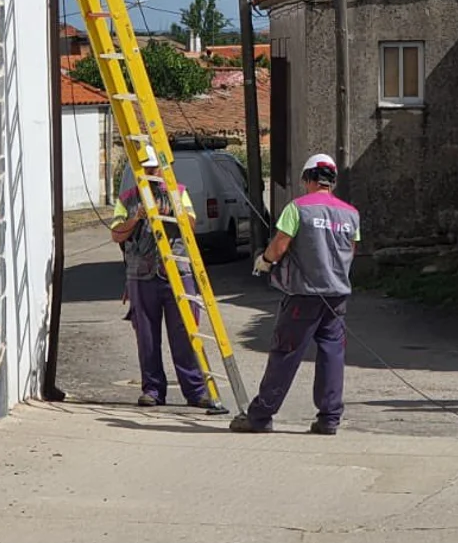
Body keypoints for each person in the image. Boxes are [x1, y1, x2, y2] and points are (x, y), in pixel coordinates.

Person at [231, 154, 359, 436]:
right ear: (332, 181)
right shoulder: (351, 214)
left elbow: (278, 247)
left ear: (309, 179)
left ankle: (261, 416)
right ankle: (329, 418)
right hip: (337, 298)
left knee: (285, 354)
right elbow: (351, 251)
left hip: (303, 296)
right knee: (332, 356)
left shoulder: (297, 209)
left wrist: (263, 260)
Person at [112, 155, 227, 414]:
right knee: (147, 338)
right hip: (141, 275)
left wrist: (171, 212)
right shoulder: (128, 197)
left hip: (177, 270)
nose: (152, 172)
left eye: (156, 167)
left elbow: (191, 223)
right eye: (147, 167)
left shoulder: (178, 192)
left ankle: (195, 391)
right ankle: (152, 390)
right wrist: (136, 218)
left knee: (185, 334)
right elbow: (116, 233)